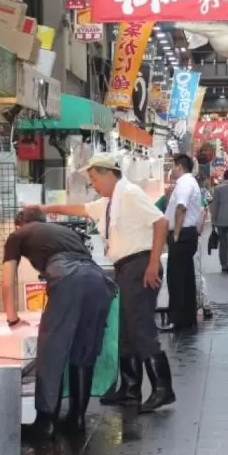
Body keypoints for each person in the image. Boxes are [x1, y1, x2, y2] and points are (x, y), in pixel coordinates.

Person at [34, 153, 175, 413]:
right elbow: (80, 210)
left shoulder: (130, 194)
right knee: (126, 329)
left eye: (94, 178)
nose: (93, 184)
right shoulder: (110, 203)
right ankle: (130, 388)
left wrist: (153, 263)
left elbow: (161, 222)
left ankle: (163, 389)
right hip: (126, 268)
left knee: (141, 328)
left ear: (109, 173)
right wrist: (45, 210)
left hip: (140, 265)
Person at [2, 208, 116, 441]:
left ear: (19, 223)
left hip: (68, 278)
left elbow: (7, 281)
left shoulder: (18, 235)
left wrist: (12, 318)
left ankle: (45, 424)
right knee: (83, 350)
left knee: (52, 349)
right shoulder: (63, 231)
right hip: (98, 279)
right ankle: (77, 419)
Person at [164, 154, 202, 332]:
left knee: (176, 277)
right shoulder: (188, 182)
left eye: (172, 165)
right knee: (185, 277)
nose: (171, 169)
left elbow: (181, 208)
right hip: (187, 233)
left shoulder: (185, 183)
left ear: (179, 167)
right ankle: (187, 317)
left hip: (183, 234)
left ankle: (177, 319)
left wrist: (176, 234)